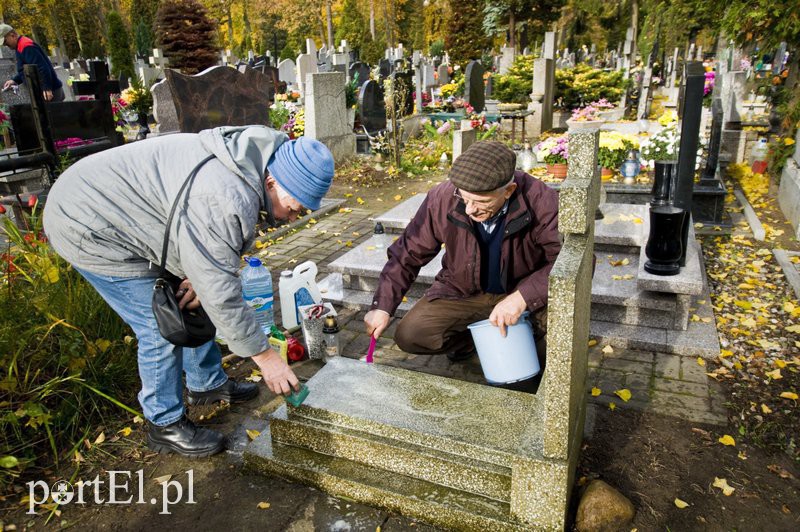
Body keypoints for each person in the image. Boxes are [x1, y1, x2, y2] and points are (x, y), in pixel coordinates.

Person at [43, 126, 334, 457]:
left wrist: (197, 274)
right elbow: (222, 293)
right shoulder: (225, 196)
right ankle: (164, 424)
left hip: (136, 213)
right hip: (88, 223)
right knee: (159, 324)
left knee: (192, 294)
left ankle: (206, 384)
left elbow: (208, 257)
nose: (293, 217)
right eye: (294, 208)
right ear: (271, 184)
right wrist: (266, 357)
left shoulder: (256, 161)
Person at [363, 141, 561, 390]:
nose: (469, 210)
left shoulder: (541, 200)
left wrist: (522, 297)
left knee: (540, 364)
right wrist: (382, 306)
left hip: (519, 290)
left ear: (508, 191)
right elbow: (407, 253)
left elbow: (566, 261)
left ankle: (527, 341)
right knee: (411, 334)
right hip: (463, 290)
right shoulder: (443, 196)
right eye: (464, 198)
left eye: (480, 201)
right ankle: (474, 341)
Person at [0, 24, 64, 102]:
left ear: (12, 35)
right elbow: (27, 70)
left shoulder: (26, 46)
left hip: (50, 92)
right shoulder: (20, 46)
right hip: (44, 90)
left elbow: (42, 68)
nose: (5, 45)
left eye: (5, 41)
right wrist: (15, 80)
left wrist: (47, 88)